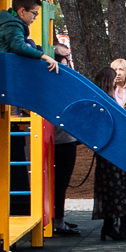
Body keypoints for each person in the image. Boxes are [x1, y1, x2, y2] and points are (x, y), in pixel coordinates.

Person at [92, 60, 126, 240]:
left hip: (111, 149)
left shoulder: (102, 99)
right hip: (114, 150)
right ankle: (112, 225)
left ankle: (120, 224)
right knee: (117, 186)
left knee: (120, 186)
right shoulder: (108, 101)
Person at [46, 39, 82, 237]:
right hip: (57, 139)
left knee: (62, 182)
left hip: (65, 140)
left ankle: (57, 218)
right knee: (55, 182)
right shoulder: (54, 80)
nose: (68, 60)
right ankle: (54, 220)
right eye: (64, 57)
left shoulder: (66, 79)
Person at [0, 0, 58, 72]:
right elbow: (18, 47)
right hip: (3, 67)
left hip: (5, 63)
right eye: (34, 13)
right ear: (22, 11)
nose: (36, 17)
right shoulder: (12, 25)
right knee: (31, 45)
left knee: (34, 45)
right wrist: (43, 56)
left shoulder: (12, 22)